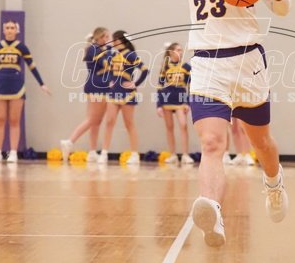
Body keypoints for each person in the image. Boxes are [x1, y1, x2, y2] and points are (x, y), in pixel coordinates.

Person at [180, 0, 291, 247]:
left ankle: (273, 183)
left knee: (262, 143)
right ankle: (212, 212)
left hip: (246, 60)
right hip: (206, 62)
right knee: (212, 142)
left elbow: (281, 7)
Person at [0, 20, 51, 163]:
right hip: (0, 84)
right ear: (4, 30)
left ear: (16, 31)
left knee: (14, 120)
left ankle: (13, 153)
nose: (10, 30)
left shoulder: (22, 47)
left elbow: (32, 66)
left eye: (12, 28)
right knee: (0, 119)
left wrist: (41, 84)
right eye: (7, 28)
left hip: (16, 85)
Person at [60, 27, 113, 163]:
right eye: (106, 37)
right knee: (93, 119)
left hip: (99, 85)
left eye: (109, 37)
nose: (109, 39)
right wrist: (110, 52)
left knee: (96, 121)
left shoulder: (99, 49)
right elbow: (108, 65)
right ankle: (70, 141)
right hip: (98, 86)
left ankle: (92, 152)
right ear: (99, 37)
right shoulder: (94, 49)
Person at [99, 30, 149, 165]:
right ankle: (104, 153)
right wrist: (110, 80)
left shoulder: (131, 54)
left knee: (129, 124)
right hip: (114, 93)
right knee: (109, 122)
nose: (112, 42)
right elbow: (111, 71)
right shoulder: (114, 54)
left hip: (127, 94)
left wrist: (135, 83)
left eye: (114, 40)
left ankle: (134, 155)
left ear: (120, 40)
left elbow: (145, 70)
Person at [156, 42, 194, 165]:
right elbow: (159, 86)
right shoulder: (165, 67)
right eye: (178, 50)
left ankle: (185, 155)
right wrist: (158, 105)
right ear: (171, 52)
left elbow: (190, 86)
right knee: (169, 127)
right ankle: (172, 155)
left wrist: (188, 103)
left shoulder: (186, 67)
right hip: (167, 99)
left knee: (183, 125)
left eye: (181, 50)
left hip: (180, 100)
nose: (181, 52)